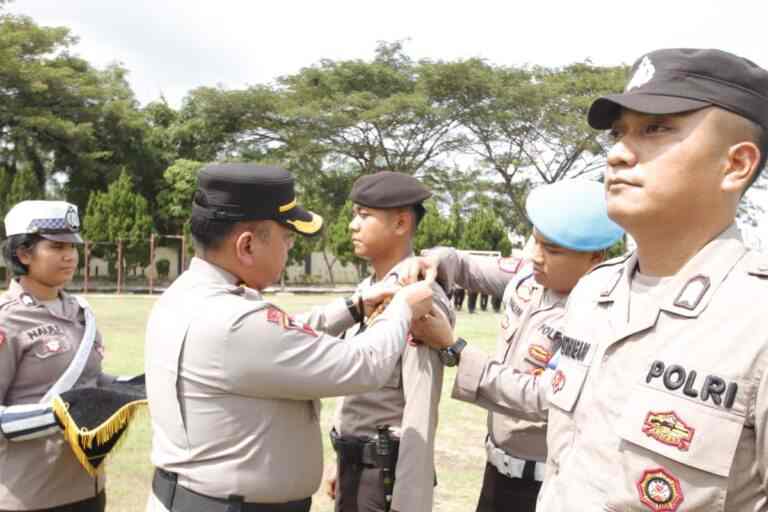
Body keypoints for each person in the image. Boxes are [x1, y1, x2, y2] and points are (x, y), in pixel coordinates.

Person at [416, 48, 768, 510]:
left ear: (736, 164)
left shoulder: (754, 323)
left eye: (656, 129)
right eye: (619, 133)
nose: (619, 154)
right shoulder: (592, 294)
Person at [144, 163, 451, 512]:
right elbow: (361, 365)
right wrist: (402, 309)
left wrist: (355, 308)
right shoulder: (238, 321)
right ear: (246, 246)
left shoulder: (186, 296)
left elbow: (284, 333)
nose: (289, 249)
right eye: (286, 239)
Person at [411, 179, 623, 512]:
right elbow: (462, 264)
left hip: (545, 486)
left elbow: (544, 397)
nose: (534, 256)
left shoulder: (599, 317)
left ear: (594, 258)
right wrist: (433, 260)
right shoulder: (529, 279)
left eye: (552, 249)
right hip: (496, 470)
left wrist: (455, 348)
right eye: (534, 242)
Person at [323, 171, 455, 512]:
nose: (353, 225)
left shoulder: (420, 299)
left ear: (400, 224)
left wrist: (410, 501)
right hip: (355, 463)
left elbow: (420, 410)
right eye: (355, 214)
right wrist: (340, 458)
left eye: (364, 216)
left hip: (384, 476)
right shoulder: (368, 289)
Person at [0, 200, 116, 511]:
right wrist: (61, 415)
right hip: (30, 496)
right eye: (56, 246)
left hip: (88, 489)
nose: (69, 256)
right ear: (23, 254)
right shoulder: (7, 322)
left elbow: (91, 380)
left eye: (73, 247)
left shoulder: (80, 313)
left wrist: (128, 388)